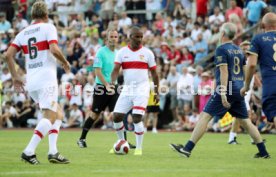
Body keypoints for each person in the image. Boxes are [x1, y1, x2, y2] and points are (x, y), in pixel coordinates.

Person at [170, 22, 270, 159]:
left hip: (226, 88)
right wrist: (244, 87)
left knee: (205, 116)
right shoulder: (239, 50)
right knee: (246, 122)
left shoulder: (221, 49)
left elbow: (224, 72)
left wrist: (222, 93)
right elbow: (246, 69)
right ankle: (263, 152)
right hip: (237, 89)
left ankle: (187, 149)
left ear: (222, 34)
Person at [5, 1, 70, 164]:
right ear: (46, 15)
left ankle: (53, 152)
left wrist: (14, 77)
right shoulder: (49, 27)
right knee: (50, 116)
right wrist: (65, 61)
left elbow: (8, 55)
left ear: (32, 15)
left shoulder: (23, 32)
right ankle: (29, 151)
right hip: (46, 79)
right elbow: (54, 49)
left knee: (58, 113)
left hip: (31, 81)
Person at [77, 28, 135, 149]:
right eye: (112, 36)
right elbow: (97, 71)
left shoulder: (118, 53)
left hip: (114, 88)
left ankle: (124, 141)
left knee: (119, 114)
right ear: (107, 39)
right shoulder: (100, 52)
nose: (114, 39)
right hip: (101, 88)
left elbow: (121, 70)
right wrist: (106, 85)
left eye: (116, 36)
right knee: (95, 115)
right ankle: (81, 139)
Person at [111, 26, 159, 155]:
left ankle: (138, 148)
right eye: (136, 37)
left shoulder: (148, 53)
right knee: (116, 116)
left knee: (137, 117)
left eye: (141, 37)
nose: (139, 39)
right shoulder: (121, 52)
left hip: (142, 88)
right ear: (129, 37)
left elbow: (154, 74)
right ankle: (122, 142)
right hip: (127, 88)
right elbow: (116, 70)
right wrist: (112, 82)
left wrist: (156, 92)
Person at [241, 12, 276, 136]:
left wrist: (246, 85)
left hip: (271, 83)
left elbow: (251, 65)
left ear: (262, 25)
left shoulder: (258, 39)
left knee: (273, 114)